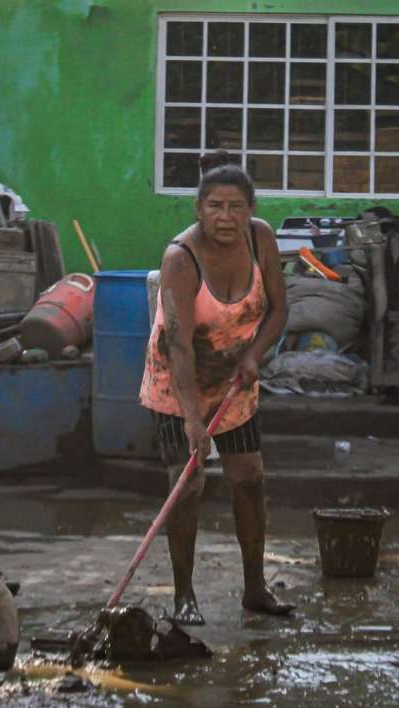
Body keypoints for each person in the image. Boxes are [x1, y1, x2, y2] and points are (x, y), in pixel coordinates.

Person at [138, 153, 294, 625]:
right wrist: (190, 418)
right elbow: (179, 346)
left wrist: (253, 357)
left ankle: (255, 588)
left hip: (235, 381)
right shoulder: (180, 259)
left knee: (249, 480)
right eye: (214, 206)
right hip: (177, 386)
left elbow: (279, 311)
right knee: (187, 486)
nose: (225, 217)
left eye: (236, 206)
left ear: (250, 209)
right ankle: (184, 595)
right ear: (198, 209)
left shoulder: (261, 239)